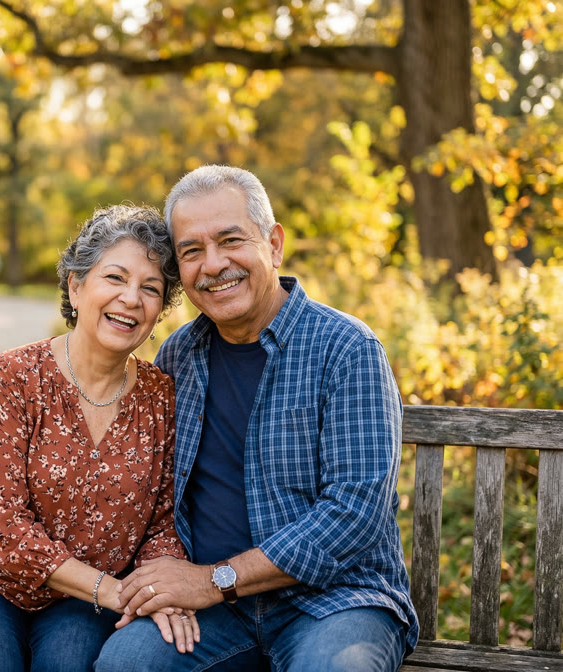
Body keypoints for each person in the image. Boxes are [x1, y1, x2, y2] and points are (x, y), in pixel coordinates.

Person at [95, 165, 419, 672]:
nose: (213, 264)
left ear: (273, 244)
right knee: (125, 664)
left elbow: (354, 513)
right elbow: (152, 489)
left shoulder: (347, 349)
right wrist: (177, 581)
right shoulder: (180, 356)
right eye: (191, 251)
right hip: (216, 613)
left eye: (231, 240)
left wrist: (212, 580)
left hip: (334, 603)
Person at [0, 205, 200, 672]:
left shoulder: (160, 396)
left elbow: (162, 522)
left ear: (158, 311)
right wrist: (109, 589)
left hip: (84, 607)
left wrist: (159, 590)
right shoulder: (14, 374)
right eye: (115, 278)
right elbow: (0, 520)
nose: (131, 298)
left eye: (150, 288)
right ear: (75, 286)